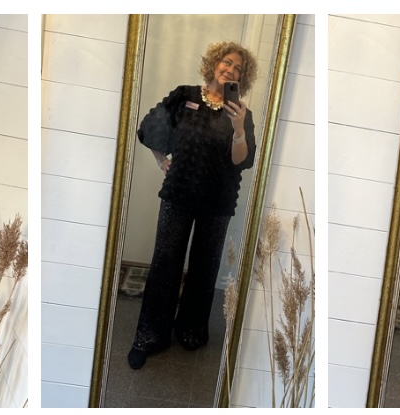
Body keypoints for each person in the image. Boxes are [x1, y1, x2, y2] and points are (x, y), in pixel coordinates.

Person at [127, 41, 258, 370]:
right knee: (165, 261)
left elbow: (241, 161)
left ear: (242, 78)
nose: (230, 70)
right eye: (227, 62)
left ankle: (191, 329)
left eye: (238, 68)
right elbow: (150, 128)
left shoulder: (242, 114)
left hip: (218, 200)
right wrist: (161, 159)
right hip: (179, 193)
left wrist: (238, 128)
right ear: (214, 63)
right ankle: (150, 335)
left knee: (204, 266)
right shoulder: (184, 95)